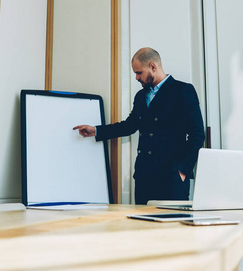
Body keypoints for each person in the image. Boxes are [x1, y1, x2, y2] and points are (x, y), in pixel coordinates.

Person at [73, 47, 205, 204]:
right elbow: (129, 125)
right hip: (144, 177)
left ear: (153, 66)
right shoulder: (141, 96)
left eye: (139, 72)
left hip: (172, 178)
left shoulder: (183, 90)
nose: (136, 77)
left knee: (172, 225)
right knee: (141, 225)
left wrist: (183, 170)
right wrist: (96, 130)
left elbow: (197, 134)